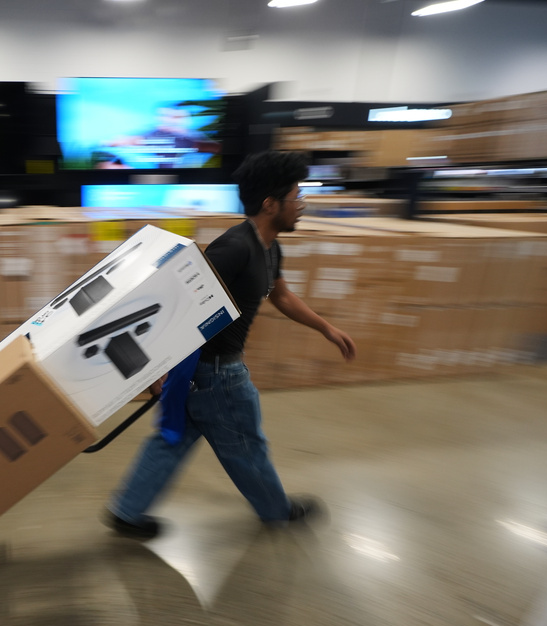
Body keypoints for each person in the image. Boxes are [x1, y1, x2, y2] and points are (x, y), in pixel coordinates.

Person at [103, 150, 357, 539]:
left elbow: (281, 294)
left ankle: (127, 511)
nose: (302, 205)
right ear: (270, 204)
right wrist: (157, 368)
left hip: (204, 371)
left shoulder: (270, 247)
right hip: (217, 373)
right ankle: (276, 510)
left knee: (175, 437)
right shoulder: (235, 247)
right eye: (297, 197)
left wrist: (326, 328)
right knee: (245, 443)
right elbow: (179, 301)